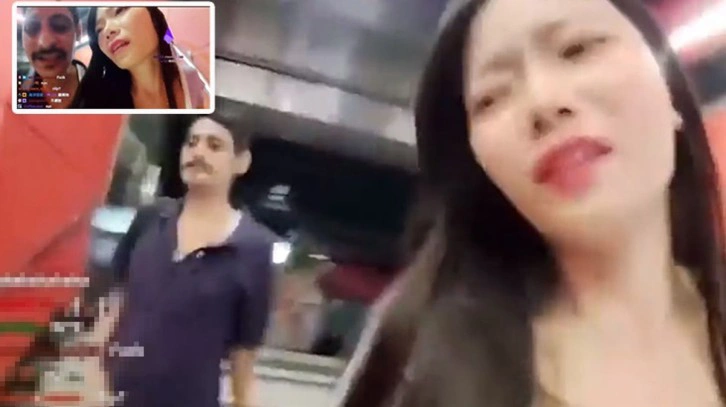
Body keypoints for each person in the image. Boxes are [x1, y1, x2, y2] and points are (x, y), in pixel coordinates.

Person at [336, 0, 726, 406]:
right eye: (491, 98)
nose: (543, 102)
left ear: (671, 91)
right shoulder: (424, 362)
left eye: (577, 49)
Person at [101, 115, 274, 407]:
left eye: (214, 145)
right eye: (192, 143)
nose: (198, 152)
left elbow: (244, 356)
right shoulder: (151, 219)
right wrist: (92, 372)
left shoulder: (253, 249)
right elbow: (116, 302)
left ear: (241, 162)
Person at [70, 7, 209, 109]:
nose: (107, 31)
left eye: (119, 11)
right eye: (99, 30)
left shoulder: (193, 78)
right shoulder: (100, 104)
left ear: (153, 16)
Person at [19, 6, 86, 109]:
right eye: (32, 28)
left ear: (78, 31)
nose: (46, 43)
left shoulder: (105, 90)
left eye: (60, 26)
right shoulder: (12, 93)